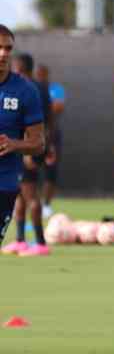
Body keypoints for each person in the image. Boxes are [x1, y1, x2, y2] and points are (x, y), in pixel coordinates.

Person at [0, 27, 45, 256]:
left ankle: (38, 242)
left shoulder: (25, 91)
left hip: (5, 185)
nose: (3, 53)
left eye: (7, 48)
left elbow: (38, 143)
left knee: (30, 197)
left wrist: (14, 144)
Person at [37, 64, 64, 219]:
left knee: (51, 170)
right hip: (31, 134)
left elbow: (58, 107)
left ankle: (46, 205)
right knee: (26, 171)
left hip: (52, 136)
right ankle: (23, 202)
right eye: (38, 74)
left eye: (44, 74)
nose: (41, 76)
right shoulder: (31, 89)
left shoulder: (55, 88)